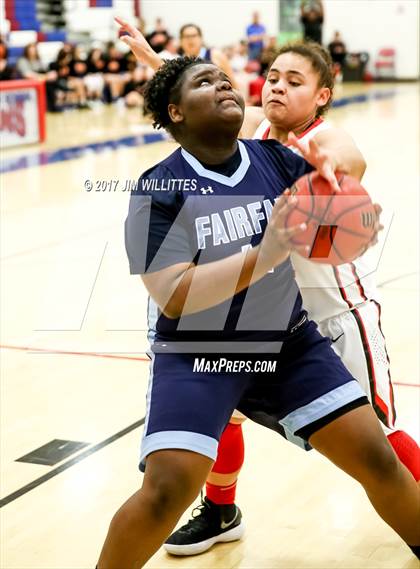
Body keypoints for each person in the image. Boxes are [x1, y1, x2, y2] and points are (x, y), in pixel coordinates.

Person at [95, 24, 420, 568]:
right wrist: (265, 255)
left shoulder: (276, 157)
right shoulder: (159, 186)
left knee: (377, 456)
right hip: (199, 352)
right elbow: (174, 296)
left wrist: (351, 212)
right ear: (175, 113)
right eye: (207, 83)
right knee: (166, 489)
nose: (227, 85)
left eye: (226, 80)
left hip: (291, 341)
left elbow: (342, 163)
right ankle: (217, 511)